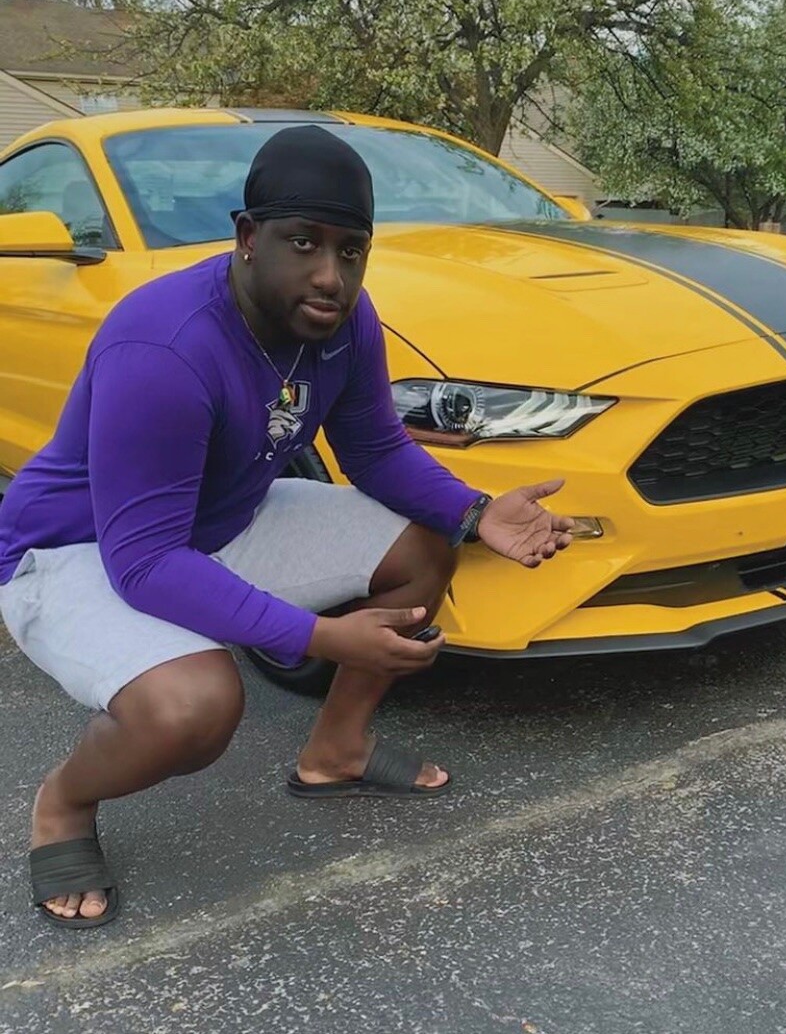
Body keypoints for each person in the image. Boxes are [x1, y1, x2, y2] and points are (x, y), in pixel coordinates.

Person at [0, 125, 574, 929]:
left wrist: (474, 512)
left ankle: (334, 751)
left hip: (221, 518)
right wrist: (323, 636)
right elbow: (145, 561)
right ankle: (63, 803)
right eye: (302, 243)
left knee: (422, 546)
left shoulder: (344, 320)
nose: (329, 275)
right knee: (192, 710)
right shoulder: (164, 344)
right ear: (247, 238)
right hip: (78, 549)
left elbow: (374, 449)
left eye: (350, 250)